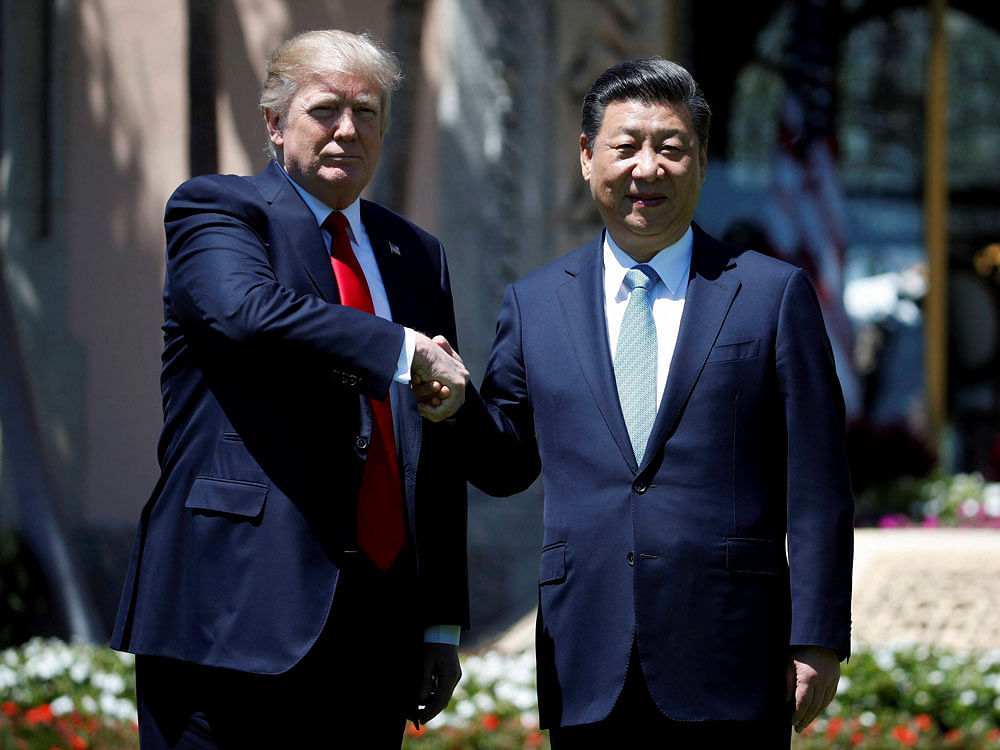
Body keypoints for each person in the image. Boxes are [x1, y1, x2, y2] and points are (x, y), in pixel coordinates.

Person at [421, 58, 854, 747]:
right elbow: (506, 464)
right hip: (586, 653)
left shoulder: (772, 294)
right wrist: (456, 406)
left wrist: (820, 636)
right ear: (588, 158)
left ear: (703, 162)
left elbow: (819, 484)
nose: (646, 167)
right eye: (625, 146)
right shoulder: (535, 303)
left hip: (734, 655)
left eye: (671, 147)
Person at [111, 29, 470, 749]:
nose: (347, 129)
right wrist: (403, 350)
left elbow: (429, 451)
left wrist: (437, 621)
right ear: (274, 123)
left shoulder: (414, 254)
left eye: (366, 112)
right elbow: (248, 313)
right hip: (229, 608)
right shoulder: (218, 211)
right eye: (324, 109)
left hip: (374, 627)